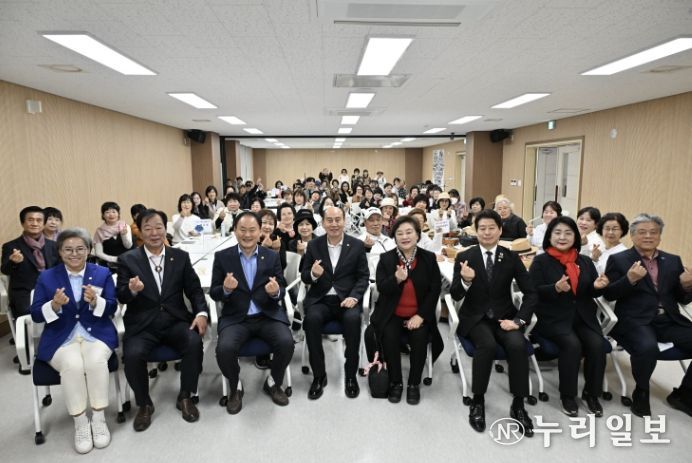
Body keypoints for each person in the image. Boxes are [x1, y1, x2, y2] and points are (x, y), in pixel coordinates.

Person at [116, 209, 209, 431]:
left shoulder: (180, 257)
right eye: (147, 228)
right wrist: (132, 290)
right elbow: (121, 295)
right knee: (132, 354)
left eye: (158, 227)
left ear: (165, 229)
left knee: (194, 342)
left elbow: (194, 290)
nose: (154, 233)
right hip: (142, 324)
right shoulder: (128, 260)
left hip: (175, 320)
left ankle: (185, 395)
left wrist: (201, 314)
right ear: (140, 232)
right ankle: (144, 404)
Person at [449, 209, 537, 436]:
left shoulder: (510, 257)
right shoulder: (465, 256)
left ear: (500, 230)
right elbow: (455, 294)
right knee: (486, 345)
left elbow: (531, 293)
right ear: (475, 231)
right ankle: (478, 400)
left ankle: (519, 404)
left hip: (505, 316)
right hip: (476, 317)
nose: (487, 233)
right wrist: (466, 281)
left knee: (517, 345)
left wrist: (519, 320)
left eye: (491, 228)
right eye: (482, 228)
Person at [30, 228, 118, 453]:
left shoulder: (102, 273)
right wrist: (54, 305)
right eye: (68, 249)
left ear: (89, 250)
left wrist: (96, 302)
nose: (74, 254)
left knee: (95, 362)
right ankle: (80, 422)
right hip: (61, 335)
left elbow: (112, 307)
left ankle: (98, 419)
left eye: (80, 248)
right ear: (60, 252)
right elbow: (36, 314)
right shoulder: (47, 277)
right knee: (72, 365)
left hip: (96, 332)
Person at [604, 213, 692, 417]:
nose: (648, 236)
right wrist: (629, 279)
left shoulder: (673, 260)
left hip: (668, 320)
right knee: (647, 347)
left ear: (660, 236)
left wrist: (687, 286)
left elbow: (681, 298)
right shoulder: (619, 260)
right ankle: (641, 391)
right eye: (642, 232)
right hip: (635, 320)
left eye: (654, 232)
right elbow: (609, 294)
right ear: (632, 236)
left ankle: (684, 394)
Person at [210, 212, 294, 414]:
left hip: (267, 315)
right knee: (224, 349)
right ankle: (235, 386)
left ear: (260, 232)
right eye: (242, 230)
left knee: (286, 342)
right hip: (236, 318)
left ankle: (274, 382)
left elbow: (282, 287)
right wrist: (226, 289)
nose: (247, 235)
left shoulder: (271, 256)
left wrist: (276, 292)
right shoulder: (222, 257)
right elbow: (214, 292)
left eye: (252, 230)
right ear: (234, 231)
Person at [529, 217, 609, 417]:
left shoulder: (585, 261)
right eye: (557, 233)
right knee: (572, 345)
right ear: (549, 236)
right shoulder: (541, 261)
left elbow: (590, 291)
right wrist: (555, 288)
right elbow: (533, 292)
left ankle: (591, 394)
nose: (562, 237)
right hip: (553, 317)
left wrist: (597, 287)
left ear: (575, 237)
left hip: (583, 317)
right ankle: (568, 396)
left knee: (597, 345)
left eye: (568, 233)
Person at [372, 216, 443, 404]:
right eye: (400, 233)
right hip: (392, 313)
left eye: (409, 232)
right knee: (389, 337)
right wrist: (396, 279)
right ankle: (396, 382)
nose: (404, 237)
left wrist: (421, 315)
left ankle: (413, 383)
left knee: (420, 338)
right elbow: (381, 288)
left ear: (418, 235)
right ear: (394, 237)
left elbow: (435, 289)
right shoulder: (386, 259)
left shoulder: (428, 258)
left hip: (419, 314)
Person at [301, 206, 369, 400]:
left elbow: (363, 277)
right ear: (323, 223)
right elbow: (304, 275)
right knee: (311, 320)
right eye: (329, 220)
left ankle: (350, 376)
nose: (334, 224)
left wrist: (354, 296)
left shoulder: (356, 245)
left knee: (353, 320)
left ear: (344, 221)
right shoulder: (314, 245)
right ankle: (319, 376)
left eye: (338, 219)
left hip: (347, 299)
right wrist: (313, 274)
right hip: (320, 299)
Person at [1, 206, 59, 371]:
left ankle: (58, 348)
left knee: (66, 307)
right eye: (30, 220)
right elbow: (5, 269)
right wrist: (13, 262)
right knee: (26, 315)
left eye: (39, 220)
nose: (35, 223)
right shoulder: (11, 246)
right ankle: (25, 355)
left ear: (43, 223)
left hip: (51, 289)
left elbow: (61, 268)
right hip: (24, 291)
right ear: (23, 223)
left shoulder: (53, 245)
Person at [93, 202, 133, 271]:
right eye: (107, 212)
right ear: (103, 215)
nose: (111, 214)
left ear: (118, 214)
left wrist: (124, 235)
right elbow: (98, 253)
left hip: (128, 263)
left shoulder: (125, 226)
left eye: (114, 212)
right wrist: (115, 259)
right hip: (109, 266)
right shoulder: (99, 231)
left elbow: (128, 246)